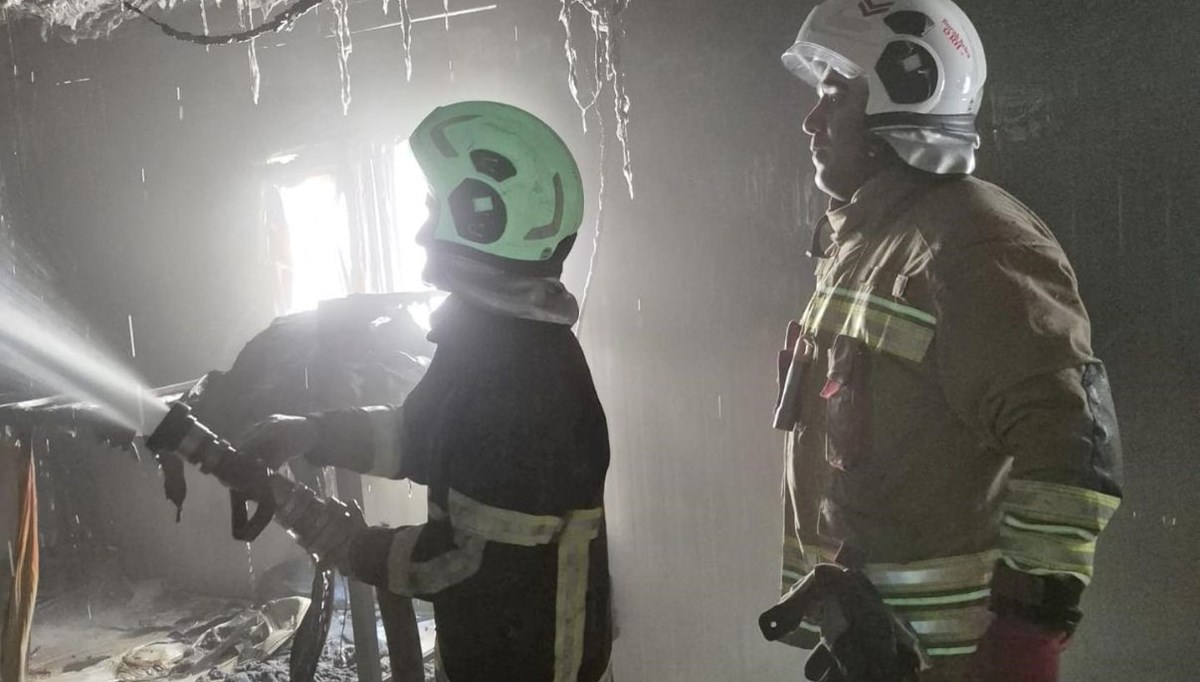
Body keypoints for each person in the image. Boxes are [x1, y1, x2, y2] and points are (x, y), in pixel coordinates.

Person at [767, 1, 1123, 680]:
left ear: (903, 92)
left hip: (952, 658)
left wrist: (1027, 635)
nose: (811, 122)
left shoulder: (971, 242)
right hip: (866, 643)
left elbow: (1072, 445)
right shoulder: (868, 240)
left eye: (833, 96)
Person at [237, 101, 613, 682]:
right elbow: (421, 436)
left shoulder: (525, 373)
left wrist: (351, 544)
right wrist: (315, 432)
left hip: (533, 661)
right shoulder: (491, 337)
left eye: (436, 211)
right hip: (493, 640)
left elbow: (467, 561)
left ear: (484, 220)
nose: (419, 232)